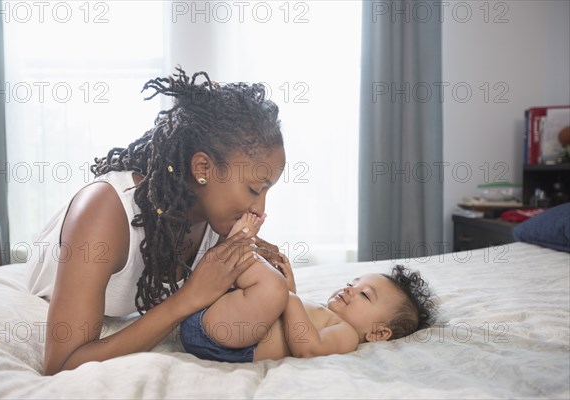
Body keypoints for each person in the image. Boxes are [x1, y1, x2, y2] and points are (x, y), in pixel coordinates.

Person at [26, 67, 287, 375]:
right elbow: (61, 363)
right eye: (254, 190)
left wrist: (275, 288)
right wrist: (187, 300)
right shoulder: (103, 213)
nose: (260, 210)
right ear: (202, 168)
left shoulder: (217, 221)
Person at [180, 213, 437, 362]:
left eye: (364, 295)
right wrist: (289, 289)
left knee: (269, 285)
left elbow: (308, 348)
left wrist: (286, 296)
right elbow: (291, 322)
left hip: (228, 340)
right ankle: (236, 250)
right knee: (270, 282)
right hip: (218, 320)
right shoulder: (326, 314)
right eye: (353, 282)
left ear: (378, 334)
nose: (350, 288)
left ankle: (238, 243)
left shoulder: (346, 334)